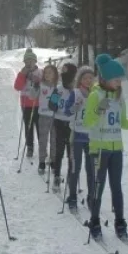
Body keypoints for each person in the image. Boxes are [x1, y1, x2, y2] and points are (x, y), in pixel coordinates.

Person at [83, 54, 128, 240]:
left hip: (116, 150)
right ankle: (95, 221)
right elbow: (87, 123)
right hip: (99, 149)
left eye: (120, 79)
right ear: (105, 78)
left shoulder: (119, 97)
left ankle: (120, 222)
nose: (119, 83)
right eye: (116, 79)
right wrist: (98, 110)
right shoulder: (95, 95)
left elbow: (124, 123)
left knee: (117, 187)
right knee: (99, 187)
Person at [66, 66, 97, 212]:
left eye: (91, 78)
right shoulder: (76, 92)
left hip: (91, 137)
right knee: (75, 168)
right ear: (80, 80)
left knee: (91, 169)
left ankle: (91, 197)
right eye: (85, 78)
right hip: (77, 135)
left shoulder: (96, 94)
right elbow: (67, 111)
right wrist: (74, 108)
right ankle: (72, 197)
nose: (88, 81)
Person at [48, 63, 78, 193]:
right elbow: (51, 105)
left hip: (72, 125)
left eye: (69, 77)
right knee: (59, 151)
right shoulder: (58, 89)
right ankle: (56, 176)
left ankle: (72, 178)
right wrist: (54, 103)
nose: (67, 80)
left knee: (71, 153)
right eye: (64, 76)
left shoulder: (76, 91)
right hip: (59, 122)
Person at [13, 49, 42, 158]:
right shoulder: (22, 72)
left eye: (31, 60)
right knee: (28, 127)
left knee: (40, 126)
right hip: (26, 104)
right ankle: (30, 146)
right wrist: (22, 75)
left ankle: (42, 146)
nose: (29, 63)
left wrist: (38, 82)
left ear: (35, 61)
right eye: (26, 61)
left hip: (38, 103)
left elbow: (45, 84)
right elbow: (17, 87)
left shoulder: (40, 72)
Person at [35, 64, 59, 176]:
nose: (47, 75)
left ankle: (54, 160)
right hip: (43, 115)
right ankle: (41, 161)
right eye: (46, 72)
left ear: (55, 74)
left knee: (54, 140)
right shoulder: (40, 85)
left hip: (55, 117)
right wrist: (34, 87)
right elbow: (32, 96)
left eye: (50, 72)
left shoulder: (57, 87)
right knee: (43, 140)